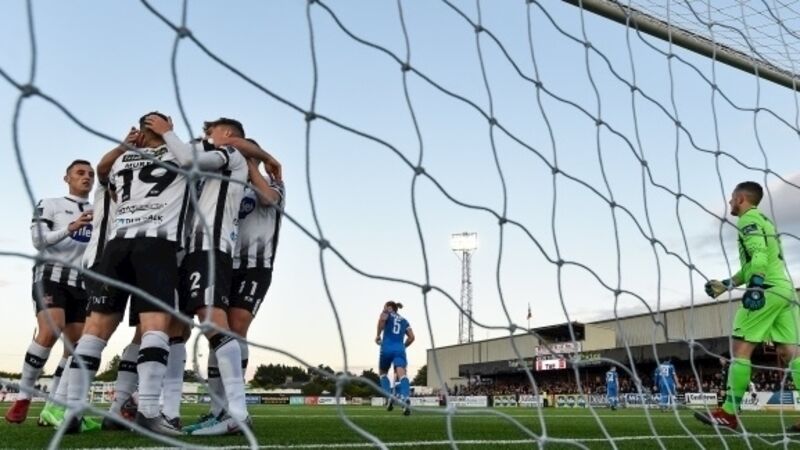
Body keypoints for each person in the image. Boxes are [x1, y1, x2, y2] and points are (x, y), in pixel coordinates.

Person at [63, 112, 196, 435]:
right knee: (155, 327)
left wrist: (126, 146)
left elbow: (103, 173)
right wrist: (169, 134)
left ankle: (72, 410)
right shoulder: (177, 153)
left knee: (95, 329)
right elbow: (192, 163)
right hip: (156, 244)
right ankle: (149, 411)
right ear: (165, 126)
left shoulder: (122, 160)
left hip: (116, 247)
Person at [151, 116, 252, 435]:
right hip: (184, 250)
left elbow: (187, 159)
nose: (205, 135)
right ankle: (169, 412)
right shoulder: (207, 162)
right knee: (174, 328)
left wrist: (167, 132)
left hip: (210, 247)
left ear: (228, 135)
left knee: (212, 322)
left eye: (210, 131)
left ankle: (238, 413)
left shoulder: (231, 155)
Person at [187, 138, 284, 431]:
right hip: (227, 261)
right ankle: (218, 409)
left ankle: (234, 411)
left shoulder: (273, 183)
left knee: (237, 330)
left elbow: (268, 199)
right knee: (218, 333)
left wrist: (252, 164)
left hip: (256, 266)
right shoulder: (229, 184)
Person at [694, 181, 798, 431]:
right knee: (792, 354)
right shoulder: (765, 221)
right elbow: (753, 263)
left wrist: (756, 286)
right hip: (784, 290)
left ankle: (728, 414)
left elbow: (759, 254)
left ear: (741, 199)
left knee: (741, 350)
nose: (730, 202)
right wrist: (727, 284)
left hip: (767, 290)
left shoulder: (747, 220)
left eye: (732, 198)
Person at [5, 160, 94, 425]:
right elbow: (38, 240)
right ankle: (23, 397)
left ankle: (52, 408)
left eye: (90, 174)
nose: (87, 177)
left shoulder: (99, 210)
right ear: (67, 178)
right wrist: (70, 227)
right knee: (51, 329)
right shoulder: (50, 204)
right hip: (50, 273)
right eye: (80, 173)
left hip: (82, 280)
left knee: (76, 347)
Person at [376, 301, 415, 416]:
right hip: (399, 349)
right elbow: (412, 337)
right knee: (402, 374)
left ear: (389, 307)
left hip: (386, 347)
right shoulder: (404, 320)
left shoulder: (387, 312)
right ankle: (405, 397)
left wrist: (378, 335)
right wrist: (403, 346)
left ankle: (390, 396)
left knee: (383, 373)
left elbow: (382, 320)